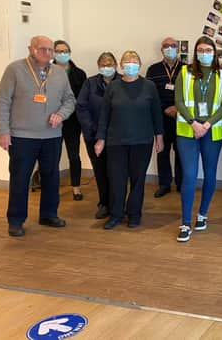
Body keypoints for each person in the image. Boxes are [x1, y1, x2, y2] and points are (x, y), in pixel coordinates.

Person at [0, 36, 76, 237]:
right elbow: (2, 101)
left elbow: (70, 100)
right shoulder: (15, 69)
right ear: (31, 49)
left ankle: (48, 214)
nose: (47, 53)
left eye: (50, 50)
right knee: (20, 178)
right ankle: (15, 220)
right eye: (42, 49)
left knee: (51, 176)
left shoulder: (59, 73)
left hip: (52, 135)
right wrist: (3, 132)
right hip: (22, 136)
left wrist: (61, 115)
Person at [95, 51, 164, 230]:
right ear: (121, 65)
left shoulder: (149, 86)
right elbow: (104, 115)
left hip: (142, 141)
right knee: (116, 179)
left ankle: (134, 214)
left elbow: (156, 113)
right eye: (127, 61)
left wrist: (159, 137)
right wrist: (100, 139)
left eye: (134, 61)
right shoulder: (113, 87)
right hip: (116, 141)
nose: (130, 64)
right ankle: (116, 214)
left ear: (139, 65)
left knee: (138, 179)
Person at [174, 36, 222, 242]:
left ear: (215, 52)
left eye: (208, 50)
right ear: (195, 52)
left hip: (212, 131)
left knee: (209, 173)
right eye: (201, 49)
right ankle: (185, 222)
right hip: (188, 129)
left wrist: (206, 125)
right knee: (189, 175)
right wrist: (193, 122)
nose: (204, 53)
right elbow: (178, 100)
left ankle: (202, 214)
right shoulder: (184, 72)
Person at [76, 52, 121, 219]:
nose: (106, 66)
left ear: (116, 65)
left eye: (109, 63)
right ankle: (104, 204)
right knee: (101, 171)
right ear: (98, 65)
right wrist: (93, 130)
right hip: (94, 136)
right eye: (103, 63)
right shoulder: (90, 83)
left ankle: (117, 204)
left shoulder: (123, 81)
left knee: (117, 172)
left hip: (117, 137)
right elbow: (81, 107)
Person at [146, 37, 184, 198]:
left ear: (178, 48)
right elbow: (149, 94)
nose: (170, 48)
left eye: (173, 46)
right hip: (161, 117)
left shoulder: (187, 69)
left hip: (182, 117)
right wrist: (165, 108)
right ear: (161, 50)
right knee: (162, 151)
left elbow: (190, 94)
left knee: (182, 151)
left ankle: (182, 184)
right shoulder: (153, 70)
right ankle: (164, 184)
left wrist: (178, 108)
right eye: (166, 46)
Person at [53, 40, 87, 201]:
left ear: (70, 52)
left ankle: (76, 187)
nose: (62, 53)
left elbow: (82, 100)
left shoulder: (79, 74)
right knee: (52, 156)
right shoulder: (45, 71)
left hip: (73, 121)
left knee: (74, 155)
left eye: (65, 50)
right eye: (59, 51)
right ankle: (51, 187)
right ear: (53, 52)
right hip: (52, 121)